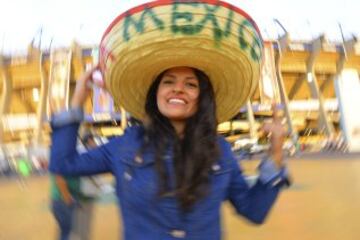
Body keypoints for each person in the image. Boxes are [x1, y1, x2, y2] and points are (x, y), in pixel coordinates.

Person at [49, 1, 290, 239]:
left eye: (191, 84)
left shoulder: (219, 151)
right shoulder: (126, 145)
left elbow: (253, 211)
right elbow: (63, 164)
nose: (178, 89)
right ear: (156, 94)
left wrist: (276, 153)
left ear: (202, 98)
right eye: (168, 82)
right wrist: (78, 101)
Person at [50, 132, 98, 240]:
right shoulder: (62, 154)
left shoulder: (64, 153)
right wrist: (68, 199)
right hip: (63, 200)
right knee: (71, 233)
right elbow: (59, 178)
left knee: (66, 232)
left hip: (63, 199)